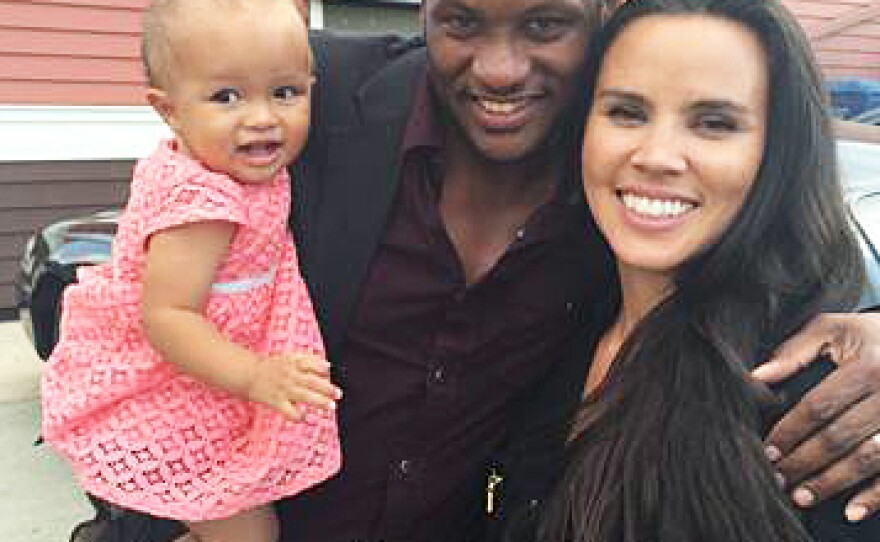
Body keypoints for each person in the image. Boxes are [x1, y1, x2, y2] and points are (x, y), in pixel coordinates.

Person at [67, 0, 880, 541]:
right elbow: (156, 290)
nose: (497, 69)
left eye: (545, 23)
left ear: (596, 21)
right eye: (460, 19)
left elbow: (780, 236)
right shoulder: (297, 99)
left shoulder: (621, 194)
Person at [520, 0, 880, 540]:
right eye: (627, 112)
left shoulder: (826, 404)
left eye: (714, 123)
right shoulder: (550, 320)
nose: (658, 155)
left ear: (777, 151)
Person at [41, 1, 342, 541]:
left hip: (208, 379)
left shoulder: (228, 164)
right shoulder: (201, 203)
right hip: (178, 389)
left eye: (285, 92)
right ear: (168, 110)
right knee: (250, 535)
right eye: (226, 96)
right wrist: (256, 375)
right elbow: (168, 316)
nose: (262, 116)